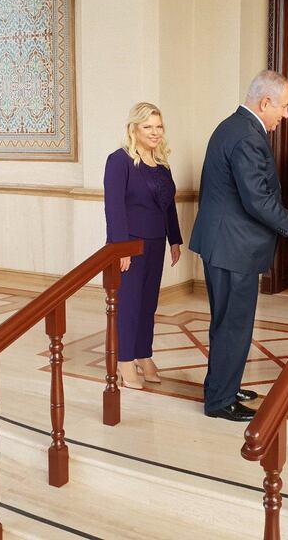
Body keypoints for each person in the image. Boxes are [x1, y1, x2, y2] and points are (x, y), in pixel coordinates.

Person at [190, 70, 288, 422]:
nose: (285, 116)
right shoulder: (246, 135)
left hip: (226, 245)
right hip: (233, 249)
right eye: (284, 107)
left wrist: (285, 214)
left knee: (227, 322)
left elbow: (245, 193)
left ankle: (224, 385)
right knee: (233, 325)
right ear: (265, 102)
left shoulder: (236, 127)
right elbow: (256, 198)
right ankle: (220, 401)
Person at [104, 102, 183, 390]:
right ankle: (124, 359)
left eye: (159, 126)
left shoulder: (162, 164)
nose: (155, 132)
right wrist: (121, 247)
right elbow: (113, 207)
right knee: (130, 303)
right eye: (148, 126)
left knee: (148, 303)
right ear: (134, 129)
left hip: (156, 242)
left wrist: (174, 239)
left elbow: (168, 206)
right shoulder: (119, 160)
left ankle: (143, 353)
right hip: (130, 246)